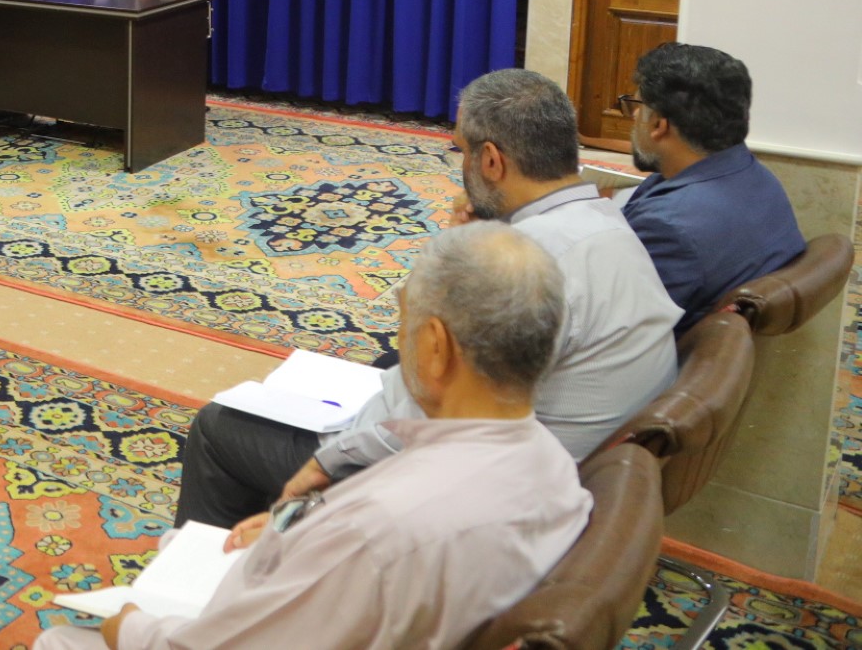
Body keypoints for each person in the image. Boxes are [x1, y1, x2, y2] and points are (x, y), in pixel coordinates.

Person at [38, 223, 591, 650]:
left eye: (402, 326)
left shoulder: (376, 528)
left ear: (435, 346)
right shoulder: (556, 468)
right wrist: (300, 529)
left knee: (61, 640)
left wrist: (131, 629)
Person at [175, 68, 677, 528]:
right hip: (580, 474)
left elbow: (423, 414)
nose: (461, 167)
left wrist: (329, 462)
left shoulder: (522, 265)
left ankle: (208, 581)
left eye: (461, 152)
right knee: (379, 368)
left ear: (491, 160)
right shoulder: (606, 221)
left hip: (491, 498)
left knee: (220, 427)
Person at [622, 42, 806, 334]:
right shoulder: (755, 175)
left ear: (658, 124)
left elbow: (614, 326)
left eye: (637, 105)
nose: (633, 116)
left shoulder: (667, 226)